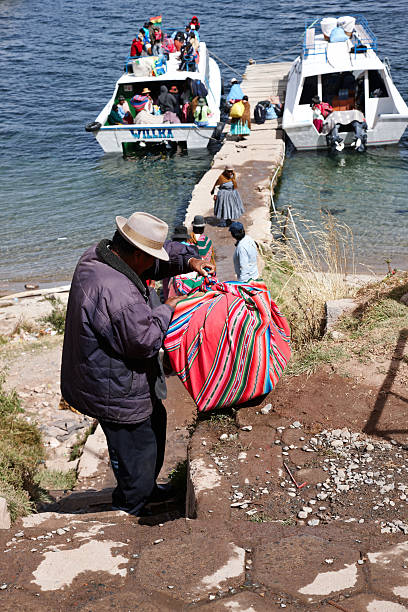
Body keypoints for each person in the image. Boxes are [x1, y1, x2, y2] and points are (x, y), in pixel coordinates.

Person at [61, 212, 214, 516]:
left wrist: (188, 261)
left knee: (154, 428)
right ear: (134, 253)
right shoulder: (117, 292)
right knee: (137, 451)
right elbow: (143, 342)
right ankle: (129, 508)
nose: (152, 264)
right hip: (113, 388)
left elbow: (156, 259)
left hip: (106, 377)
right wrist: (168, 309)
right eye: (148, 258)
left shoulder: (100, 254)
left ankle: (145, 489)